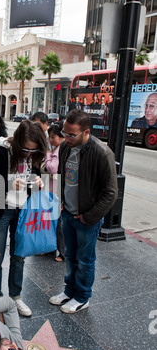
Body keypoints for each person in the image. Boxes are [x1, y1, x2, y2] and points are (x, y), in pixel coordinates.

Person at [49, 110, 118, 313]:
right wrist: (61, 201)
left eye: (72, 135)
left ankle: (82, 296)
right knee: (70, 255)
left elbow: (111, 193)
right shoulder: (65, 148)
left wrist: (89, 217)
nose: (66, 138)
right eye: (65, 133)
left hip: (87, 217)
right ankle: (69, 290)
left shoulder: (101, 153)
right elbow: (62, 176)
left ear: (86, 132)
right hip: (68, 212)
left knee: (85, 259)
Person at [0, 120, 47, 317]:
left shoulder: (34, 155)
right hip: (0, 210)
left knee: (19, 256)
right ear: (18, 141)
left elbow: (34, 174)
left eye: (33, 151)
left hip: (23, 211)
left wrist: (38, 181)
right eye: (26, 150)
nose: (29, 154)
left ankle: (15, 297)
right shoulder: (1, 151)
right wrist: (10, 185)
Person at [43, 122, 65, 262]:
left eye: (53, 137)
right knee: (51, 222)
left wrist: (48, 155)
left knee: (57, 224)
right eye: (49, 137)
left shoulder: (57, 151)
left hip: (56, 190)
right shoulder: (58, 149)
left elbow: (52, 169)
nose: (51, 140)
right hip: (53, 189)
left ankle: (62, 253)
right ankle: (51, 249)